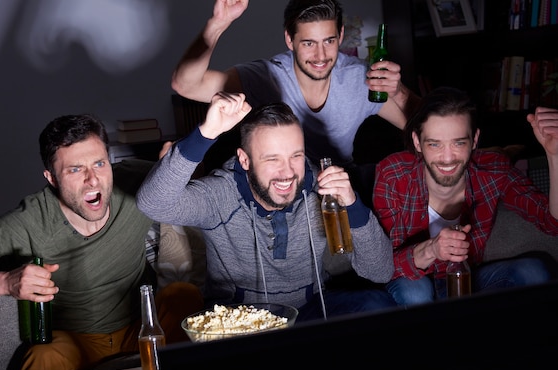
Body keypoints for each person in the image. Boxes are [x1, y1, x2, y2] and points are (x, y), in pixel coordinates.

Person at [0, 114, 202, 370]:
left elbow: (193, 177)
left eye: (100, 163)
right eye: (75, 169)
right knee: (42, 357)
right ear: (51, 177)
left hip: (141, 324)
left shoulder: (138, 183)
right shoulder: (27, 222)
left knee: (183, 296)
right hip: (75, 341)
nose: (93, 179)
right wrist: (5, 283)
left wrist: (176, 164)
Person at [137, 91, 396, 321]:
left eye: (296, 156)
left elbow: (381, 271)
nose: (287, 173)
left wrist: (353, 205)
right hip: (239, 319)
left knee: (377, 304)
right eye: (272, 159)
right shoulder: (221, 194)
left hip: (309, 310)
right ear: (245, 160)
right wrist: (206, 134)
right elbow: (152, 203)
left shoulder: (321, 189)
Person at [171, 0, 420, 189]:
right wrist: (218, 23)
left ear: (341, 35)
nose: (321, 56)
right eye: (309, 43)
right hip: (284, 189)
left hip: (340, 186)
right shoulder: (265, 76)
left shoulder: (358, 78)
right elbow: (186, 85)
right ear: (290, 40)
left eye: (329, 41)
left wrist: (399, 91)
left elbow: (426, 128)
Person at [372, 86, 558, 306]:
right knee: (416, 293)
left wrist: (554, 155)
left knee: (534, 271)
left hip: (466, 278)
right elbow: (379, 266)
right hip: (413, 279)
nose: (448, 158)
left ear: (475, 140)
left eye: (458, 143)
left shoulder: (493, 169)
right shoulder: (393, 174)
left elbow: (551, 223)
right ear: (417, 142)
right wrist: (431, 249)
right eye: (434, 144)